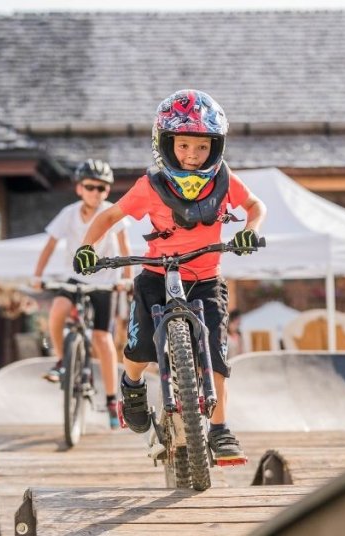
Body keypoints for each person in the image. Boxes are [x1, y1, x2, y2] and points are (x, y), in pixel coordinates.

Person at [74, 89, 266, 461]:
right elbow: (111, 216)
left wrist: (250, 228)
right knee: (141, 343)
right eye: (182, 146)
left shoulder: (224, 180)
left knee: (216, 351)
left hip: (206, 277)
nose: (192, 155)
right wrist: (88, 246)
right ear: (165, 143)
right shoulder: (151, 185)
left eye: (200, 147)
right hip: (155, 274)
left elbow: (255, 206)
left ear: (216, 146)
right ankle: (131, 388)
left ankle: (221, 429)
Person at [32, 158, 132, 429]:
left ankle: (112, 399)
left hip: (104, 280)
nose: (95, 193)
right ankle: (62, 360)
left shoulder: (111, 212)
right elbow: (49, 245)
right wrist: (37, 276)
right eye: (89, 187)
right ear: (79, 189)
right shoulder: (69, 213)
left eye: (101, 188)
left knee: (102, 338)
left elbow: (124, 245)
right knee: (57, 311)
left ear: (107, 191)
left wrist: (126, 278)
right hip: (75, 276)